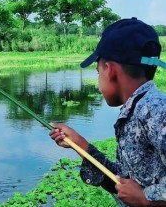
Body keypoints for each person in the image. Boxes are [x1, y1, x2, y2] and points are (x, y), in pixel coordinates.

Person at [49, 17, 166, 207]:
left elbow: (140, 196)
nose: (98, 82)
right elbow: (122, 182)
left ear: (109, 69)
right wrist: (81, 146)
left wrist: (147, 201)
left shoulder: (156, 110)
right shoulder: (137, 109)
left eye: (98, 72)